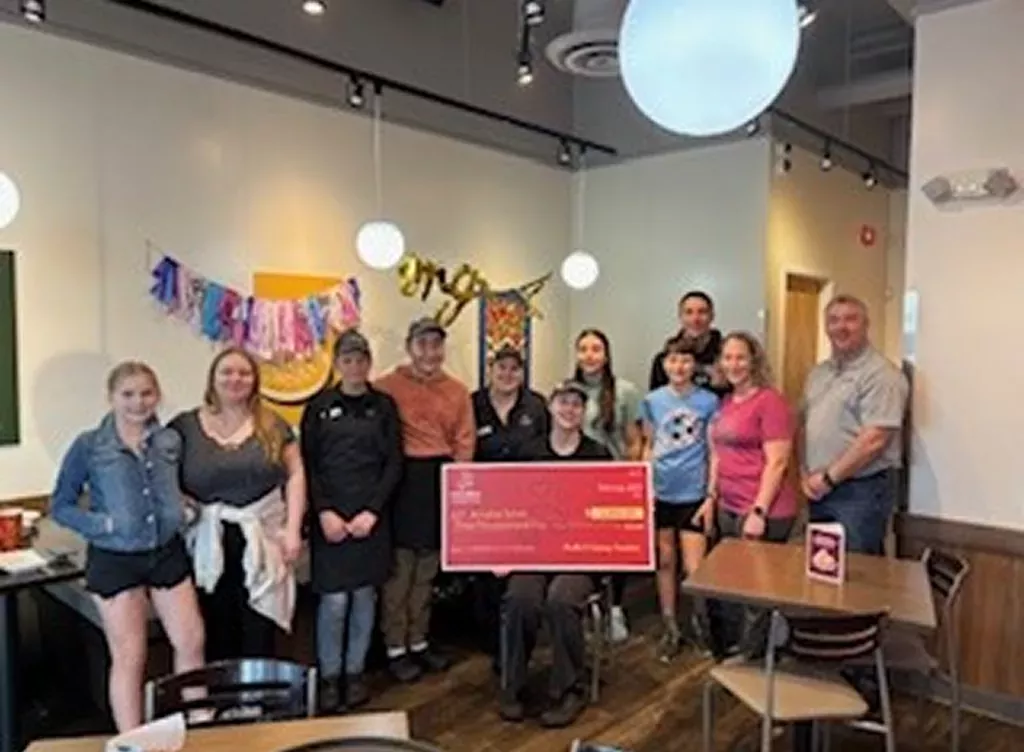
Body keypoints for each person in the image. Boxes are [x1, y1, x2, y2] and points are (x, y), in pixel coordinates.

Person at [51, 362, 204, 732]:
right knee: (130, 656)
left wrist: (185, 511)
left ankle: (200, 726)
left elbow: (173, 487)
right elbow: (61, 505)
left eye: (147, 393)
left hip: (166, 552)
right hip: (116, 560)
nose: (138, 402)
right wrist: (102, 525)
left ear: (158, 395)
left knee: (192, 640)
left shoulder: (169, 440)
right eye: (128, 394)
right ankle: (132, 740)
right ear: (112, 398)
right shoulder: (90, 446)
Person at [170, 347, 306, 661]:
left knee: (259, 623)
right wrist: (179, 501)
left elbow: (296, 474)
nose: (235, 379)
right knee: (215, 622)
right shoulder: (185, 427)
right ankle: (222, 700)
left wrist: (293, 529)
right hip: (207, 538)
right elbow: (161, 474)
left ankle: (259, 700)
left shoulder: (273, 425)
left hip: (262, 535)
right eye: (227, 372)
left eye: (244, 373)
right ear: (212, 379)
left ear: (254, 381)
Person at [498, 380, 614, 728]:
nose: (569, 410)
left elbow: (608, 510)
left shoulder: (597, 455)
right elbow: (510, 505)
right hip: (533, 552)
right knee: (520, 597)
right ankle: (512, 686)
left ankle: (569, 690)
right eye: (562, 402)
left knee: (562, 599)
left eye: (576, 404)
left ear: (584, 411)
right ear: (550, 407)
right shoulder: (529, 451)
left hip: (580, 557)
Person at [300, 330, 402, 711]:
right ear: (337, 363)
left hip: (371, 518)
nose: (355, 366)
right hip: (331, 519)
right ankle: (329, 676)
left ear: (369, 363)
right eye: (347, 360)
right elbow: (307, 465)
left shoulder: (385, 406)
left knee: (363, 597)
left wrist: (372, 511)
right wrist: (324, 510)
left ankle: (355, 673)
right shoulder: (319, 407)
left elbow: (394, 462)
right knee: (334, 602)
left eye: (361, 360)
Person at [375, 316, 475, 683]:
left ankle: (418, 641)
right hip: (403, 480)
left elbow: (465, 441)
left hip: (441, 478)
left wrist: (458, 487)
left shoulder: (458, 390)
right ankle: (395, 646)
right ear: (409, 346)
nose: (430, 352)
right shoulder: (386, 386)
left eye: (436, 345)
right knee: (400, 570)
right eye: (422, 344)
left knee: (427, 570)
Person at [699, 332, 796, 657]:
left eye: (740, 357)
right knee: (733, 587)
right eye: (727, 358)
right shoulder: (726, 403)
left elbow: (778, 461)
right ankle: (742, 653)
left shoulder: (770, 401)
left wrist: (758, 512)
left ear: (754, 360)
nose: (733, 364)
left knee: (756, 593)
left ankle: (754, 663)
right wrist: (711, 496)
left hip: (762, 509)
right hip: (728, 504)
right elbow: (717, 455)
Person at [800, 295, 908, 556]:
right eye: (834, 320)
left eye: (851, 319)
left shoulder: (882, 375)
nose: (841, 327)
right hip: (819, 489)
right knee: (823, 571)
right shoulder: (819, 373)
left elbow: (875, 440)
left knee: (858, 575)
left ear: (866, 324)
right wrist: (804, 473)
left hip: (861, 491)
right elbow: (805, 424)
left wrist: (828, 477)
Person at [639, 337, 719, 662]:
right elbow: (647, 444)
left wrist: (711, 493)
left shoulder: (709, 402)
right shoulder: (652, 401)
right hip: (661, 492)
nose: (679, 367)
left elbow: (715, 452)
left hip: (693, 493)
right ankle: (670, 625)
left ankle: (701, 626)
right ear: (664, 364)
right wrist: (644, 485)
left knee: (695, 566)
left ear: (694, 366)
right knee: (666, 561)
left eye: (686, 361)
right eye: (673, 360)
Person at [470, 345, 548, 661]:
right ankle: (491, 639)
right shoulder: (472, 404)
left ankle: (518, 637)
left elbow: (547, 449)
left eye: (514, 369)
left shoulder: (537, 405)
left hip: (527, 504)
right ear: (490, 369)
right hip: (483, 505)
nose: (507, 374)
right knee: (486, 575)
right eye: (501, 368)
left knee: (519, 573)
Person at [573, 328, 642, 643]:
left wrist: (629, 481)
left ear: (606, 355)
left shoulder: (625, 391)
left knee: (614, 553)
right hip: (578, 484)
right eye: (584, 349)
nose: (590, 355)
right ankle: (586, 610)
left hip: (613, 482)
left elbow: (634, 441)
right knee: (585, 552)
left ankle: (614, 609)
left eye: (596, 349)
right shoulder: (567, 391)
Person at [648, 290, 728, 396]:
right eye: (689, 312)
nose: (695, 319)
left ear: (712, 316)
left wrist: (723, 385)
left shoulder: (727, 357)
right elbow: (655, 404)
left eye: (702, 312)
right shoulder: (664, 359)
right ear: (680, 317)